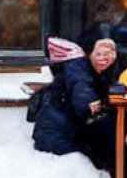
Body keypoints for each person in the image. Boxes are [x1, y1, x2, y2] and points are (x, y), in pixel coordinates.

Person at [32, 37, 119, 170]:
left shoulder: (100, 73)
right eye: (99, 54)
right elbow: (82, 96)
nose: (103, 59)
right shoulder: (79, 68)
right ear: (89, 53)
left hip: (67, 130)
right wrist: (91, 104)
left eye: (108, 56)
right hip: (55, 135)